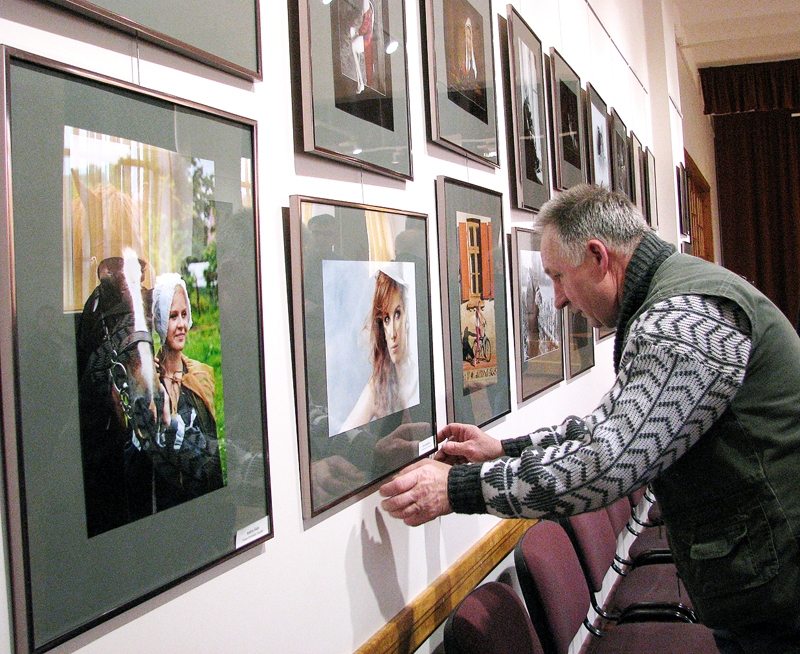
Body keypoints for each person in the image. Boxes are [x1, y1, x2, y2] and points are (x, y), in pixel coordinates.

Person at [380, 184, 800, 653]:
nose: (557, 298)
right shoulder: (668, 299)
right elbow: (610, 427)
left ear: (599, 256)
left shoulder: (680, 318)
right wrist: (502, 449)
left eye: (559, 276)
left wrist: (456, 489)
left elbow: (608, 462)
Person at [143, 272, 224, 509]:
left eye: (184, 315)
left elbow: (213, 453)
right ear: (159, 321)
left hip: (203, 499)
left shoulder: (200, 377)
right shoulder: (152, 385)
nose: (180, 325)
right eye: (172, 316)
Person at [340, 269, 419, 433]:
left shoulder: (421, 375)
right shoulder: (380, 381)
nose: (392, 333)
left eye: (397, 314)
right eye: (386, 319)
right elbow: (345, 433)